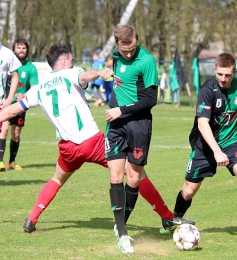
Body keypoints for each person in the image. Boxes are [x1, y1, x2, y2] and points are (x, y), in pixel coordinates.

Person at [0, 44, 193, 251]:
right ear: (64, 61)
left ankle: (31, 219)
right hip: (92, 142)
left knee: (57, 179)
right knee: (134, 172)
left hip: (67, 148)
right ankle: (166, 216)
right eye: (71, 60)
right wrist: (100, 73)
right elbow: (85, 77)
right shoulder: (69, 73)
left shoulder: (38, 87)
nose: (74, 64)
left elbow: (11, 111)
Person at [105, 25, 193, 254]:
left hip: (139, 125)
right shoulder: (115, 56)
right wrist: (111, 82)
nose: (128, 53)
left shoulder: (147, 61)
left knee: (133, 179)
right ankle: (123, 233)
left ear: (136, 39)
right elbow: (120, 82)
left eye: (132, 48)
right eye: (124, 50)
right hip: (115, 123)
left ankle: (120, 223)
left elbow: (151, 99)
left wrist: (121, 109)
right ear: (117, 44)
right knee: (115, 175)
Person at [172, 52, 237, 238]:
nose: (223, 78)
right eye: (220, 74)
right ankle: (175, 219)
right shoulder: (207, 90)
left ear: (234, 72)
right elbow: (202, 124)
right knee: (188, 191)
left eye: (228, 75)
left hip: (231, 141)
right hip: (204, 146)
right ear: (215, 70)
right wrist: (217, 151)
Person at [0, 38, 39, 171]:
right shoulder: (7, 61)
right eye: (19, 48)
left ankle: (12, 162)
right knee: (3, 130)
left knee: (16, 134)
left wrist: (25, 95)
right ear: (14, 49)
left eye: (24, 48)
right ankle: (0, 161)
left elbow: (34, 87)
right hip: (6, 102)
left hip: (21, 105)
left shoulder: (31, 67)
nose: (21, 50)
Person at [0, 44, 21, 171]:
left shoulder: (7, 53)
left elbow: (15, 77)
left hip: (1, 102)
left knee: (4, 131)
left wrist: (9, 98)